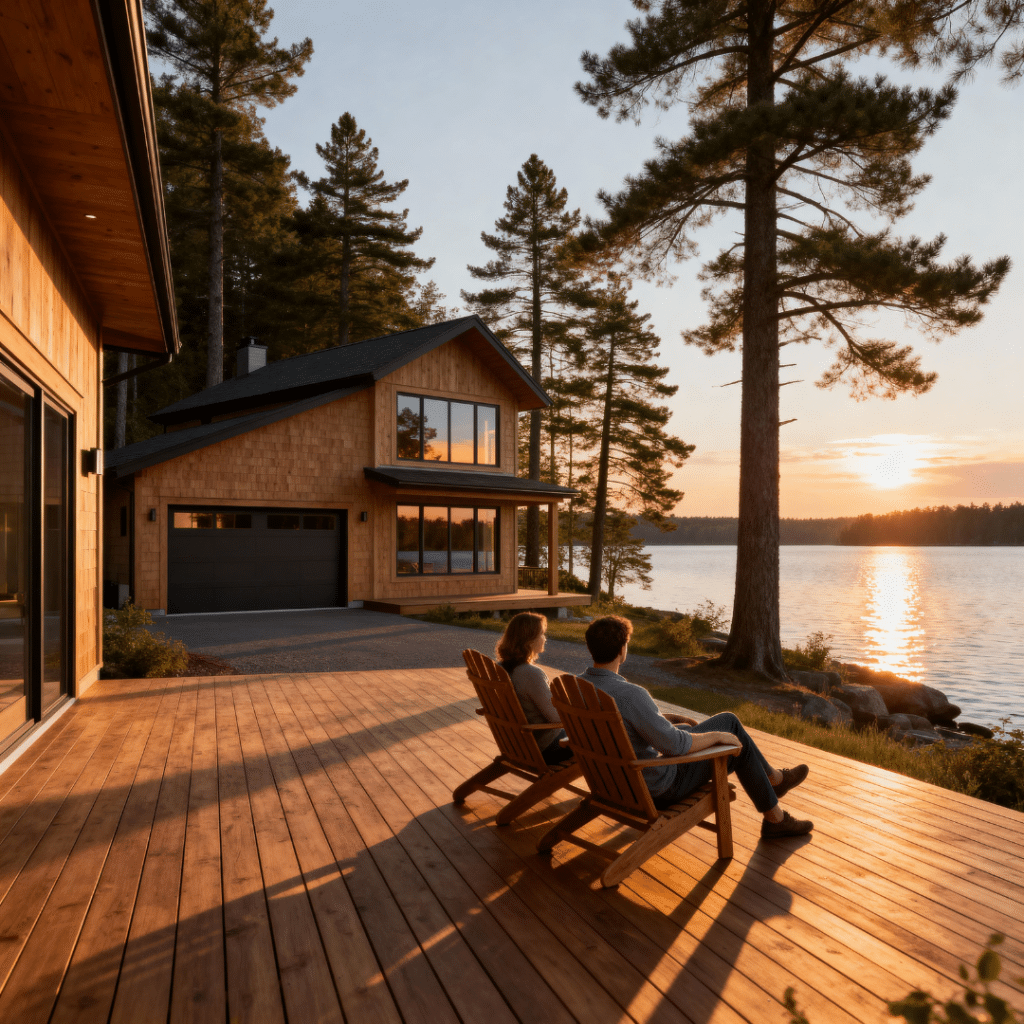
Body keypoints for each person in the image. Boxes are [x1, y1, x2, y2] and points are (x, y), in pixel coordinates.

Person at [581, 615, 813, 838]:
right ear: (623, 650)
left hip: (610, 782)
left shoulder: (578, 687)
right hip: (657, 787)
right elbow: (674, 746)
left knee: (727, 724)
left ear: (591, 647)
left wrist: (665, 718)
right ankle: (775, 816)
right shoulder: (631, 695)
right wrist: (716, 736)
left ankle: (774, 781)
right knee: (730, 728)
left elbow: (628, 728)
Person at [495, 612, 574, 765]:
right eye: (542, 634)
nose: (545, 638)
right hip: (544, 748)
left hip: (516, 745)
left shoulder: (500, 668)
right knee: (598, 742)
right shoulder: (530, 674)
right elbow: (556, 718)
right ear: (529, 641)